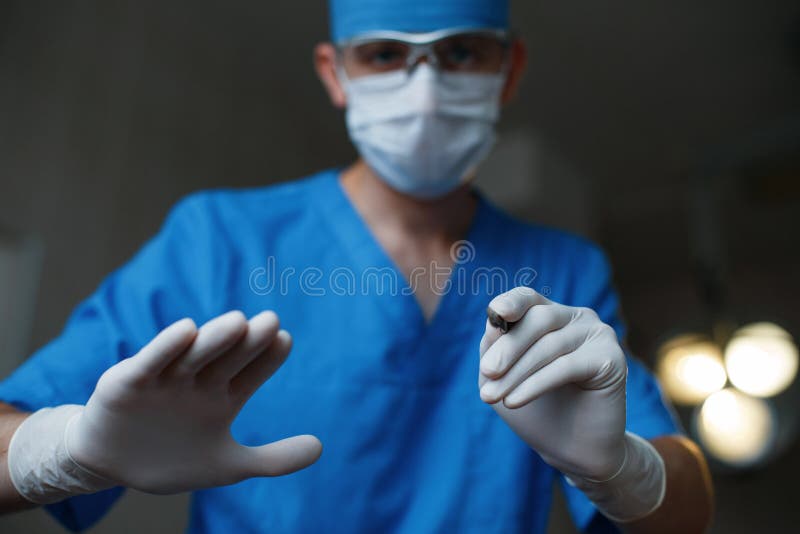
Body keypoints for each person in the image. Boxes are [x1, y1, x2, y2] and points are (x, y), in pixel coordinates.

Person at [0, 0, 714, 532]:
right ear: (335, 72)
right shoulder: (221, 238)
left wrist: (623, 469)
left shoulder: (563, 271)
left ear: (510, 68)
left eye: (462, 52)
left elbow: (687, 511)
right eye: (384, 54)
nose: (425, 88)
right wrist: (67, 451)